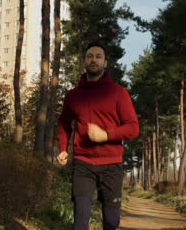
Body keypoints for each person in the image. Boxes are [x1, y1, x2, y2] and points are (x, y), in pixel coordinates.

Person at [55, 41, 139, 230]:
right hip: (83, 162)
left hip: (111, 164)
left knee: (111, 221)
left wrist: (106, 135)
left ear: (105, 63)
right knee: (80, 219)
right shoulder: (73, 95)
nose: (94, 60)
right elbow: (63, 123)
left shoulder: (118, 93)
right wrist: (62, 148)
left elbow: (133, 128)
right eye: (90, 56)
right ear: (84, 61)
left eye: (98, 57)